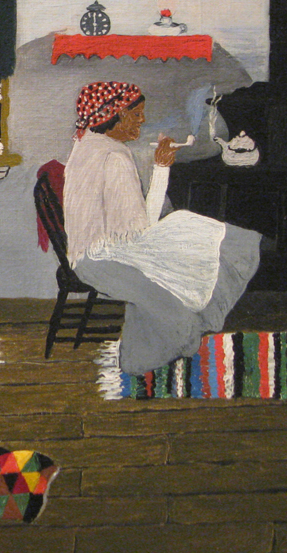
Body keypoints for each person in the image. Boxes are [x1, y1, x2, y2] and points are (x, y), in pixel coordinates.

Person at [63, 81, 262, 374]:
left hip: (91, 255)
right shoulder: (114, 156)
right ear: (115, 115)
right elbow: (140, 229)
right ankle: (150, 359)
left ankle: (166, 345)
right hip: (102, 260)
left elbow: (129, 225)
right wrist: (161, 168)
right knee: (196, 240)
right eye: (136, 114)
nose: (142, 120)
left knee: (187, 232)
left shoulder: (87, 146)